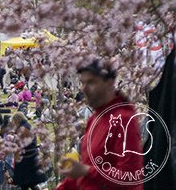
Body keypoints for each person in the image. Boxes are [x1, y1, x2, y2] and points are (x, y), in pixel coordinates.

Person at [57, 60, 143, 190]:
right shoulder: (95, 118)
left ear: (109, 84)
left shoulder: (124, 120)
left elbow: (131, 176)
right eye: (82, 83)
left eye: (91, 82)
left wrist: (86, 171)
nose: (84, 88)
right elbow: (87, 169)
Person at [10, 112, 45, 190]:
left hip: (24, 159)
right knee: (32, 183)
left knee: (24, 183)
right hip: (33, 156)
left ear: (16, 120)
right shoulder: (28, 126)